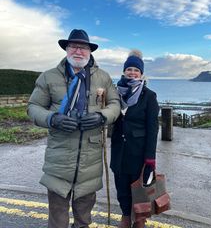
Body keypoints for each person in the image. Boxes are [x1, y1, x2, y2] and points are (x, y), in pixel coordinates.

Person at [27, 29, 120, 228]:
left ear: (90, 51)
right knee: (58, 218)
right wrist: (52, 119)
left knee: (84, 219)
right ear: (66, 49)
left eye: (83, 47)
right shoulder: (49, 77)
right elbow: (33, 107)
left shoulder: (103, 77)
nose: (78, 51)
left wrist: (101, 116)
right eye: (74, 46)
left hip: (90, 162)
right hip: (59, 158)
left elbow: (115, 105)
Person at [110, 50, 160, 228]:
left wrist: (150, 158)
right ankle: (125, 216)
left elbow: (153, 128)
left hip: (138, 152)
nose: (132, 72)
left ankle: (139, 219)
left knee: (138, 189)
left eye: (136, 70)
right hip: (119, 151)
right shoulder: (115, 93)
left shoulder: (149, 96)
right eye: (129, 69)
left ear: (141, 74)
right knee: (121, 187)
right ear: (124, 72)